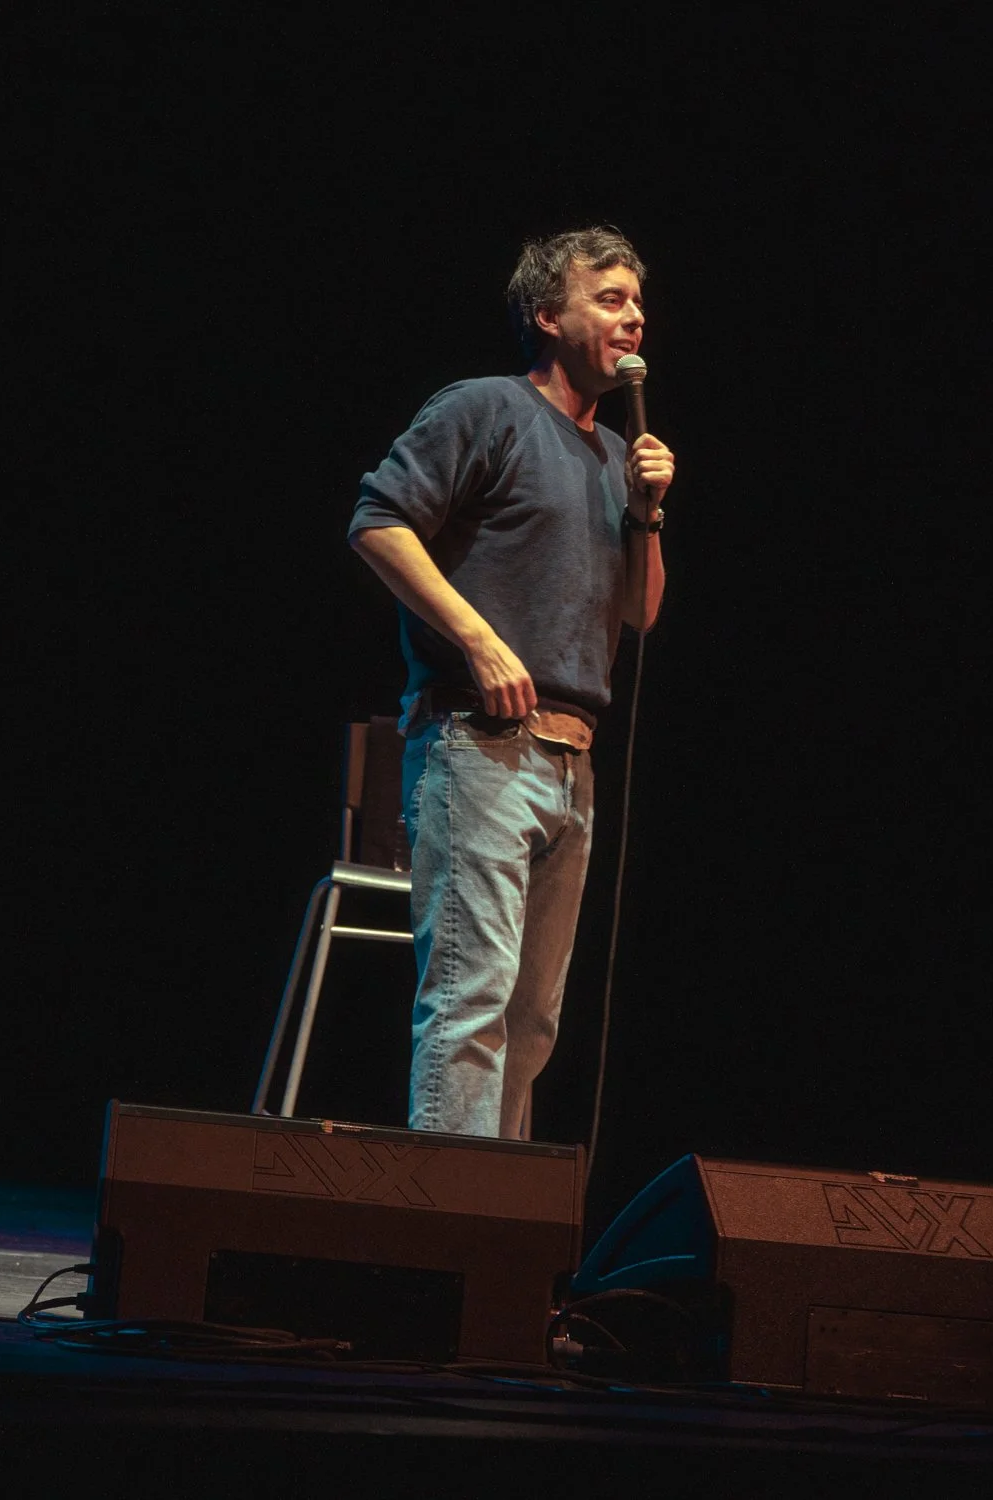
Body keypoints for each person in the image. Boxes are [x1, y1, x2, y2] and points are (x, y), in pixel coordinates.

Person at [347, 227, 675, 1140]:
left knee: (530, 1027)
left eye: (637, 303)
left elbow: (641, 613)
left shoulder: (614, 457)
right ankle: (450, 1221)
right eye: (609, 298)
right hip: (479, 746)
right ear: (547, 315)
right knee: (472, 1006)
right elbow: (377, 522)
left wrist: (647, 515)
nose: (633, 317)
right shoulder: (485, 407)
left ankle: (496, 1218)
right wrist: (479, 639)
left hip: (574, 766)